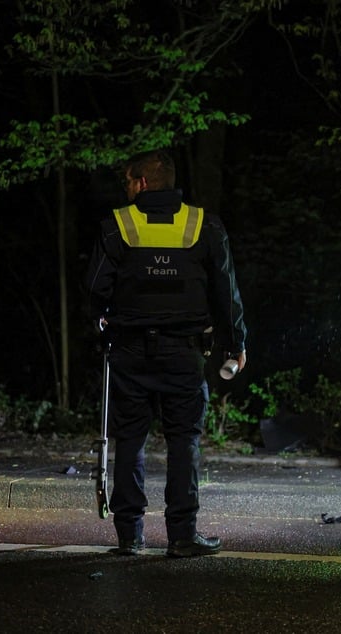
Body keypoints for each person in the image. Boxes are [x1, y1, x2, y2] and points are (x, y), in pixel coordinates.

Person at [85, 149, 247, 558]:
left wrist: (101, 324)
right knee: (183, 442)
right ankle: (182, 535)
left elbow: (94, 291)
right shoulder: (203, 224)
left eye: (127, 181)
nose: (126, 188)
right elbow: (226, 292)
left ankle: (129, 536)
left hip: (129, 351)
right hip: (184, 352)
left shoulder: (117, 224)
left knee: (131, 440)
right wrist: (236, 343)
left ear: (141, 182)